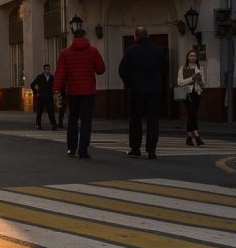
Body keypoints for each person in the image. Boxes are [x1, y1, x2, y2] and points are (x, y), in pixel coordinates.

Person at [53, 28, 106, 158]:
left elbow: (60, 73)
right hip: (88, 92)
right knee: (86, 121)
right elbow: (101, 69)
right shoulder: (93, 51)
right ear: (84, 36)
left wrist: (56, 89)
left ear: (73, 38)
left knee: (73, 120)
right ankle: (83, 150)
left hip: (73, 91)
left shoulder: (65, 53)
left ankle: (71, 148)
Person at [118, 26, 167, 160]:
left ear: (135, 37)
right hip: (154, 90)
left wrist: (130, 83)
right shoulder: (159, 50)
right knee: (153, 120)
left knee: (135, 120)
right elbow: (164, 70)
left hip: (137, 90)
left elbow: (122, 70)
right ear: (148, 35)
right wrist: (158, 83)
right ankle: (151, 151)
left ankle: (135, 148)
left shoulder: (131, 51)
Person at [176, 49, 205, 146]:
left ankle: (189, 138)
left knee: (193, 114)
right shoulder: (183, 68)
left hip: (197, 93)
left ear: (197, 58)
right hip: (187, 93)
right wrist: (191, 78)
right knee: (192, 112)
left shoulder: (200, 68)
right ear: (187, 57)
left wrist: (200, 79)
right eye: (191, 56)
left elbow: (203, 84)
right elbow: (180, 83)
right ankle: (197, 136)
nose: (193, 57)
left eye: (195, 56)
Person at [30, 64, 57, 130]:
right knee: (40, 111)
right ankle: (38, 124)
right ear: (44, 69)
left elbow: (54, 86)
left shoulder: (51, 77)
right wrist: (36, 92)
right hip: (41, 97)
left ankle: (54, 124)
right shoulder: (40, 77)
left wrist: (53, 92)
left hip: (49, 97)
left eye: (48, 69)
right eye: (46, 69)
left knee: (51, 111)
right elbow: (32, 85)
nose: (48, 70)